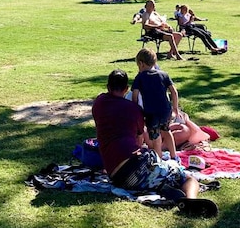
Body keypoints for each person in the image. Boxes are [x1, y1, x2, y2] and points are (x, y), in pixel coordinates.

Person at [92, 69, 218, 217]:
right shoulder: (135, 110)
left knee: (155, 175)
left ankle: (164, 187)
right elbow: (140, 140)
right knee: (187, 177)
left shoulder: (99, 103)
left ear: (108, 87)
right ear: (126, 89)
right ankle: (190, 200)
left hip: (117, 177)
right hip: (135, 169)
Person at [131, 48, 179, 162]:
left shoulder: (140, 77)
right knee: (167, 131)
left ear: (141, 64)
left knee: (155, 135)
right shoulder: (164, 74)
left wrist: (136, 109)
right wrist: (175, 107)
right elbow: (174, 91)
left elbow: (135, 95)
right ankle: (174, 156)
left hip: (151, 113)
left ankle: (159, 159)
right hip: (165, 110)